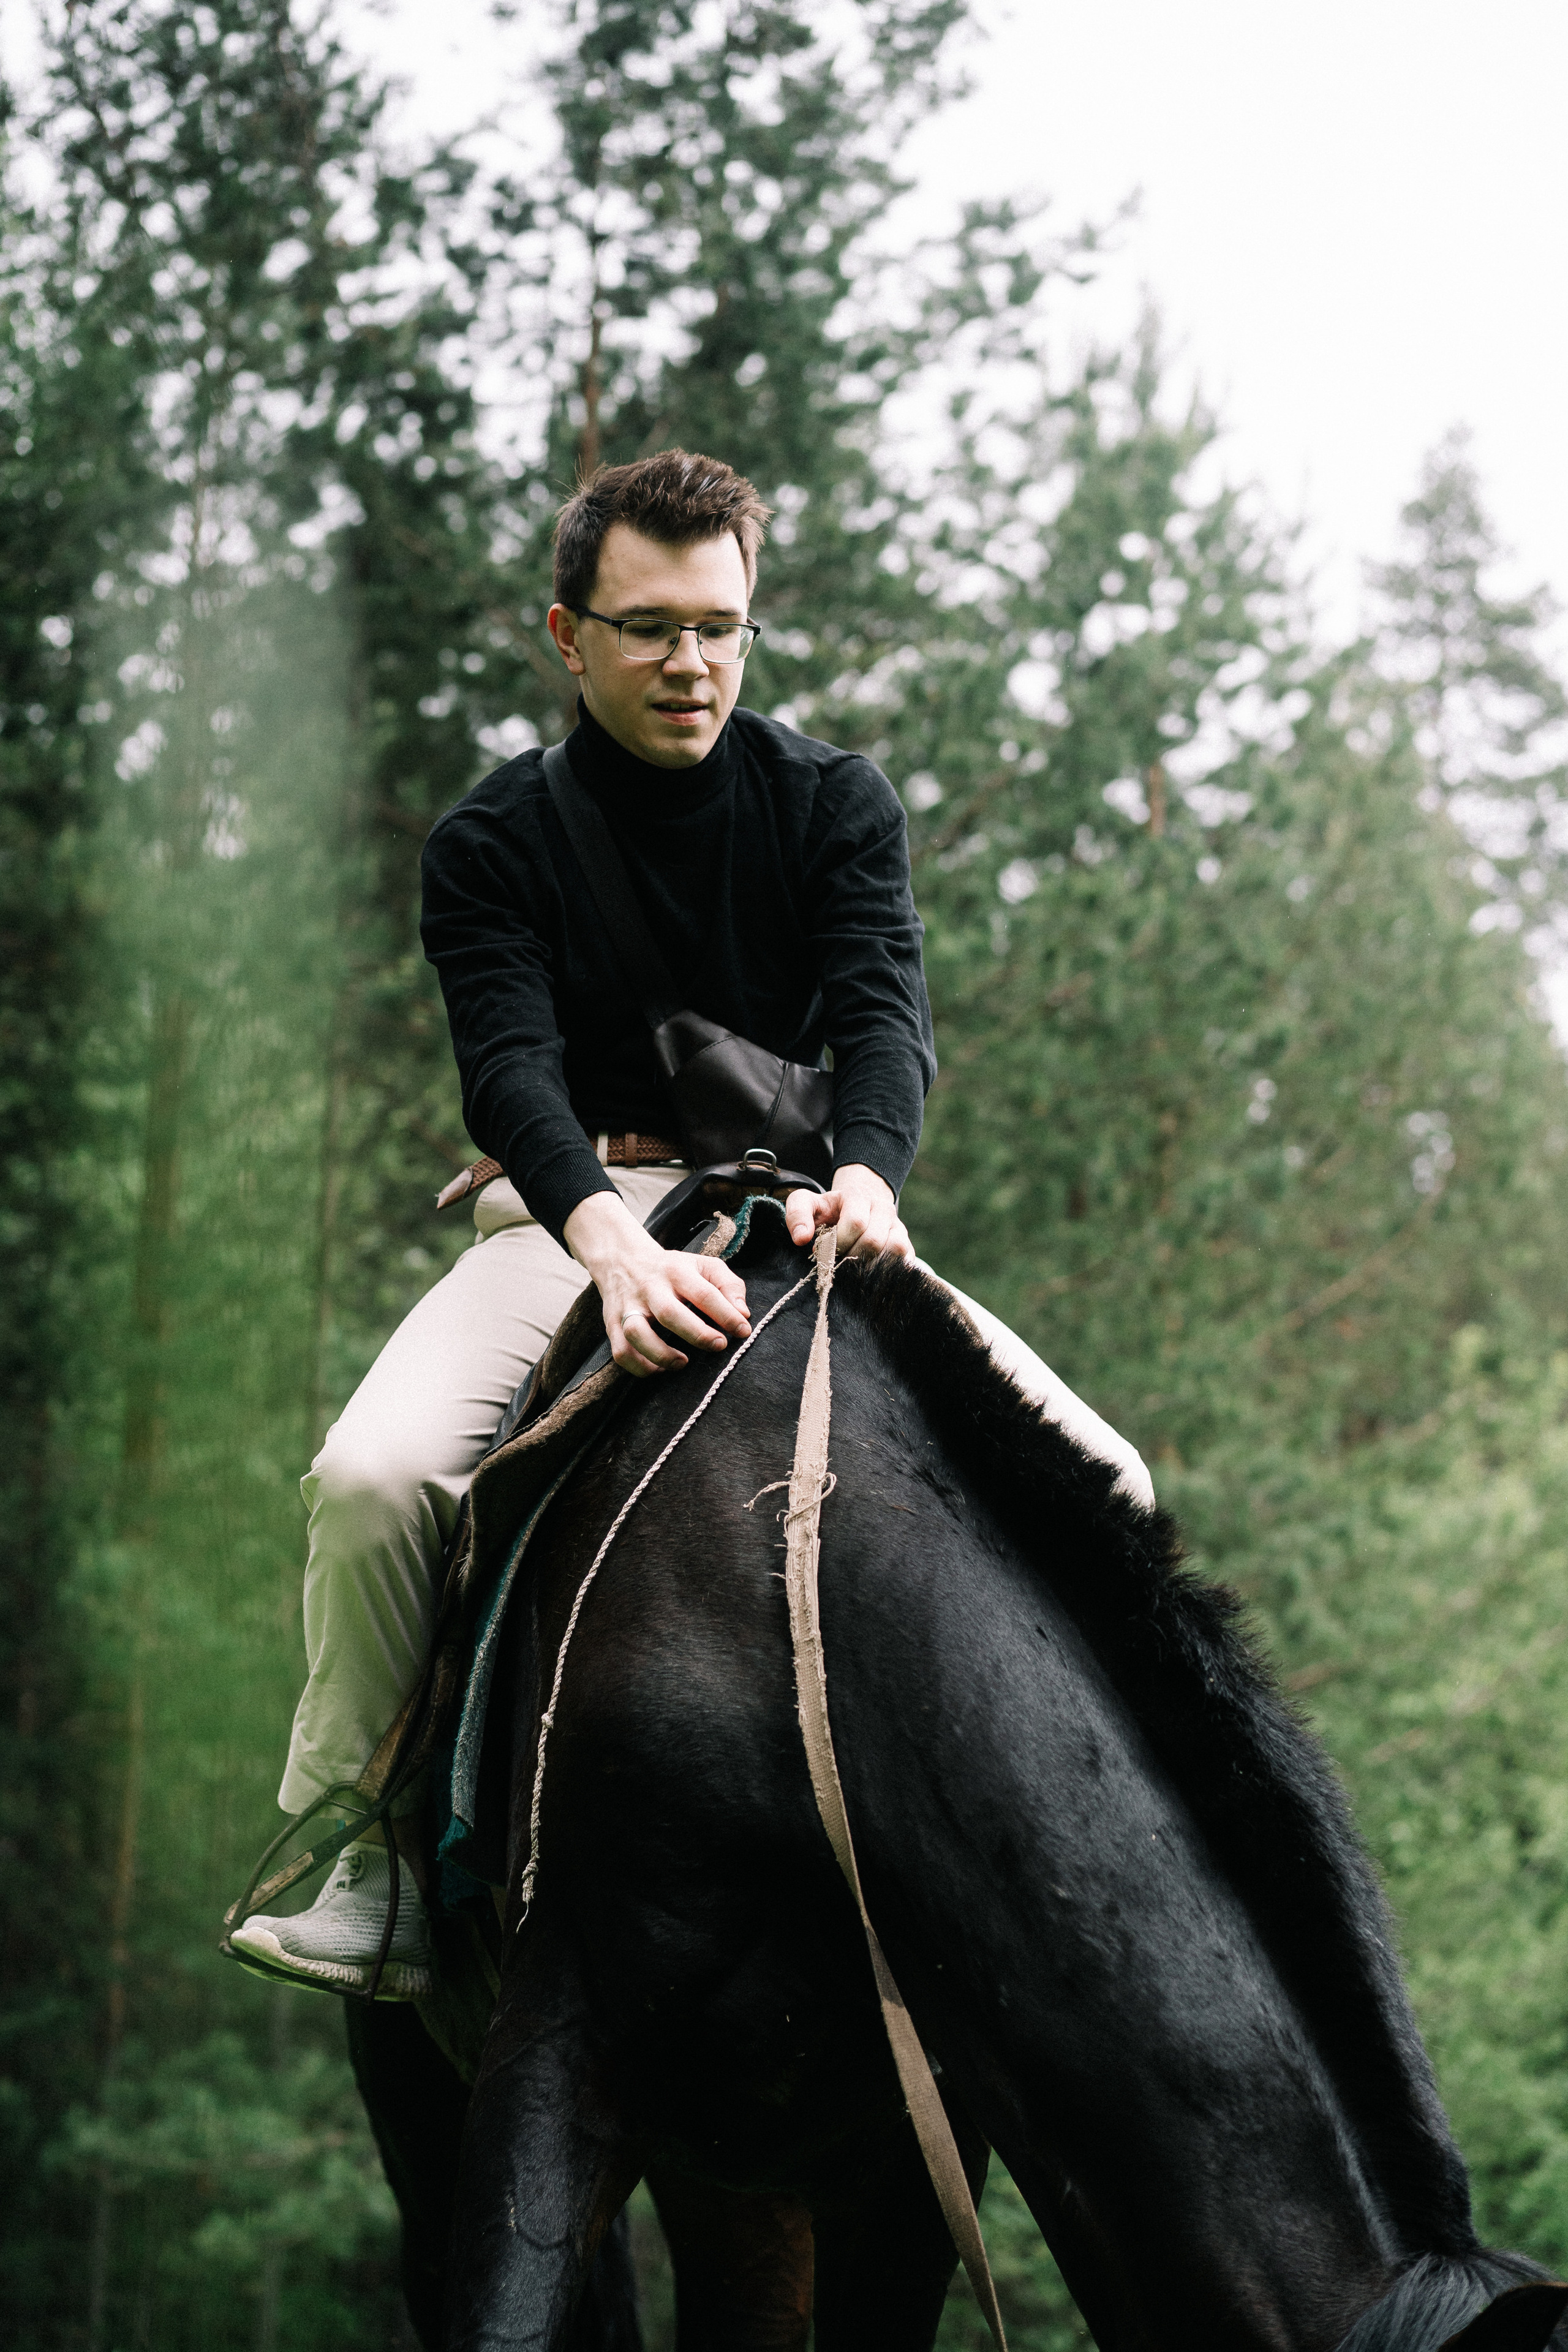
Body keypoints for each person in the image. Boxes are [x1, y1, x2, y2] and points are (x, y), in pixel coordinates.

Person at [232, 450, 1152, 1999]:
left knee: (1107, 1478)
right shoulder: (491, 841)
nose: (690, 663)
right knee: (373, 1481)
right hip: (565, 1223)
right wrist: (603, 1237)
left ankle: (1092, 1856)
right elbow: (505, 1067)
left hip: (799, 1213)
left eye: (719, 627)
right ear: (566, 633)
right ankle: (363, 1841)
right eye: (650, 626)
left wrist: (871, 1176)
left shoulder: (832, 802)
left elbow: (882, 1015)